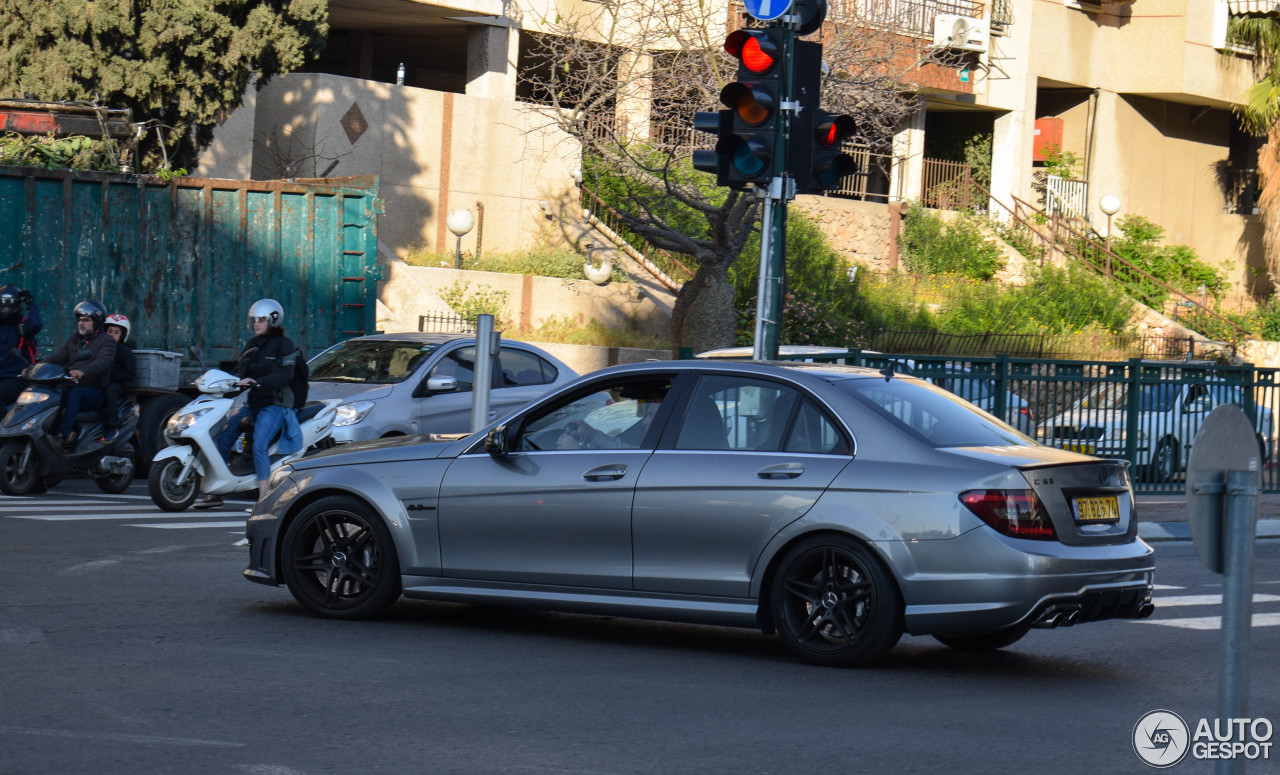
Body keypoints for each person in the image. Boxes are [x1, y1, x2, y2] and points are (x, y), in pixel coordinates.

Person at [194, 299, 307, 509]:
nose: (257, 323)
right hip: (253, 403)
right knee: (222, 439)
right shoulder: (252, 344)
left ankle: (263, 499)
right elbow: (240, 370)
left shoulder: (285, 344)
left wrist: (260, 383)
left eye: (262, 319)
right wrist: (223, 380)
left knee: (259, 445)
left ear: (273, 320)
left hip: (274, 403)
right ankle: (216, 491)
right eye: (254, 319)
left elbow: (285, 374)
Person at [46, 300, 116, 449]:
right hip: (70, 385)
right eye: (79, 320)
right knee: (52, 395)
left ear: (97, 321)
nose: (81, 323)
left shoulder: (107, 341)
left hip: (94, 391)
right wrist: (36, 366)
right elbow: (58, 358)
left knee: (75, 394)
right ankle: (46, 433)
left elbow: (103, 362)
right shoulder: (75, 339)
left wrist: (83, 371)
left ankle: (62, 436)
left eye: (86, 320)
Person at [0, 285, 42, 415]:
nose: (6, 308)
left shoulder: (22, 326)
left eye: (10, 305)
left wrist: (31, 304)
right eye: (3, 305)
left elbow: (36, 324)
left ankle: (4, 432)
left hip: (17, 377)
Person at [98, 313, 136, 444]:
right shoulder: (99, 348)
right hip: (99, 382)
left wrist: (112, 373)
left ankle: (111, 428)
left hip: (116, 385)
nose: (112, 335)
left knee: (110, 391)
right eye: (109, 331)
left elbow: (131, 374)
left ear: (122, 336)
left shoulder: (124, 351)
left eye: (116, 332)